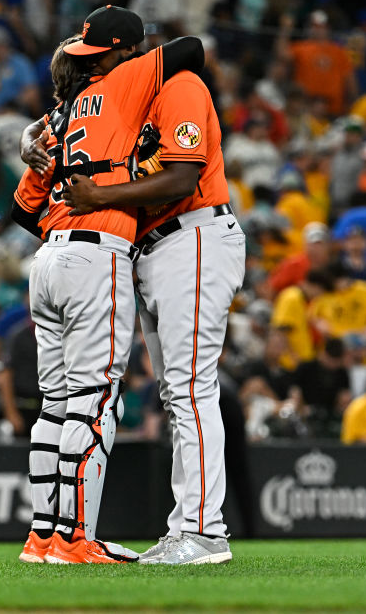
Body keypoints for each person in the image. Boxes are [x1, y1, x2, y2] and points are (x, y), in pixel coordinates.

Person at [10, 10, 204, 564]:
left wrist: (34, 136)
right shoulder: (124, 79)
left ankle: (43, 536)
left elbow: (22, 209)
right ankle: (75, 539)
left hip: (47, 258)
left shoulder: (57, 118)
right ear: (120, 52)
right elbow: (192, 48)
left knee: (55, 406)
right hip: (96, 256)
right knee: (94, 403)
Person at [54, 30, 245, 565]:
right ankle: (186, 526)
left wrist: (100, 196)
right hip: (160, 249)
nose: (96, 71)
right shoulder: (125, 104)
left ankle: (205, 533)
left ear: (131, 57)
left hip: (194, 235)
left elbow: (183, 177)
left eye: (103, 60)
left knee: (190, 388)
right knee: (175, 394)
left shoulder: (178, 85)